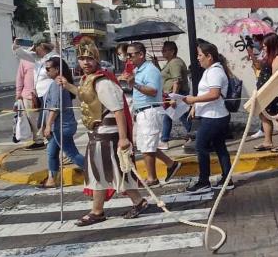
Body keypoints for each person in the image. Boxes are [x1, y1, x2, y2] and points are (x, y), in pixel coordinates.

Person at [57, 37, 148, 226]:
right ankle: (138, 202)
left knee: (101, 173)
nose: (85, 62)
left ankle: (97, 211)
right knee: (115, 172)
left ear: (96, 59)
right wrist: (67, 85)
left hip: (107, 136)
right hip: (98, 136)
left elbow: (118, 111)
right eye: (82, 58)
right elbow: (86, 95)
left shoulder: (103, 82)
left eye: (89, 58)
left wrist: (123, 138)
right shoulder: (88, 80)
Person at [120, 42, 180, 186]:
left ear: (141, 54)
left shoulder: (150, 70)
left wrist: (134, 84)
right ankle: (170, 164)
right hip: (142, 111)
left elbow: (153, 91)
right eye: (126, 55)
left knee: (147, 146)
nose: (128, 58)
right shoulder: (138, 70)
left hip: (151, 110)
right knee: (145, 145)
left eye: (131, 55)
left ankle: (152, 177)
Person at [182, 42, 234, 193]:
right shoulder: (210, 70)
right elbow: (206, 92)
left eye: (200, 55)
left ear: (209, 56)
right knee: (219, 147)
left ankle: (204, 181)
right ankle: (227, 178)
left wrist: (193, 100)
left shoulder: (214, 72)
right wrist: (194, 106)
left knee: (200, 146)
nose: (198, 58)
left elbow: (214, 94)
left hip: (214, 117)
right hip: (214, 115)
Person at [41, 56, 85, 188]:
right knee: (52, 152)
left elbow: (55, 108)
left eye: (48, 68)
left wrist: (48, 125)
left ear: (57, 69)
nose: (46, 71)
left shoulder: (57, 84)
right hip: (61, 125)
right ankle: (52, 180)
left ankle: (95, 171)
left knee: (72, 154)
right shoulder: (59, 82)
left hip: (61, 126)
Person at [13, 34, 58, 149]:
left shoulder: (54, 59)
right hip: (40, 96)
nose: (34, 50)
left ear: (42, 47)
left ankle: (58, 148)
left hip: (51, 96)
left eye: (36, 47)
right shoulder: (38, 59)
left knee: (51, 124)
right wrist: (17, 46)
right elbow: (22, 54)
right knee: (41, 124)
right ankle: (49, 144)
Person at [254, 33, 278, 153]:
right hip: (267, 93)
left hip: (276, 93)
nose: (263, 47)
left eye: (265, 45)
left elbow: (276, 78)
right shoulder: (270, 56)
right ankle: (267, 142)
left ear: (272, 45)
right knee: (264, 116)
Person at [159, 41, 191, 150]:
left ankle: (165, 140)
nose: (162, 52)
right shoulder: (170, 62)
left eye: (165, 50)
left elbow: (176, 80)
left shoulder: (175, 62)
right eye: (162, 50)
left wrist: (174, 97)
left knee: (179, 116)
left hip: (176, 94)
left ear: (172, 51)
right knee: (173, 116)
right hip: (171, 94)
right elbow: (166, 76)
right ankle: (192, 135)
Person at [14, 54, 40, 148]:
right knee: (32, 119)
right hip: (29, 96)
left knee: (45, 118)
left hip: (43, 94)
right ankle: (38, 140)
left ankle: (42, 139)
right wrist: (18, 93)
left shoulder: (45, 58)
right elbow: (20, 77)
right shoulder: (24, 59)